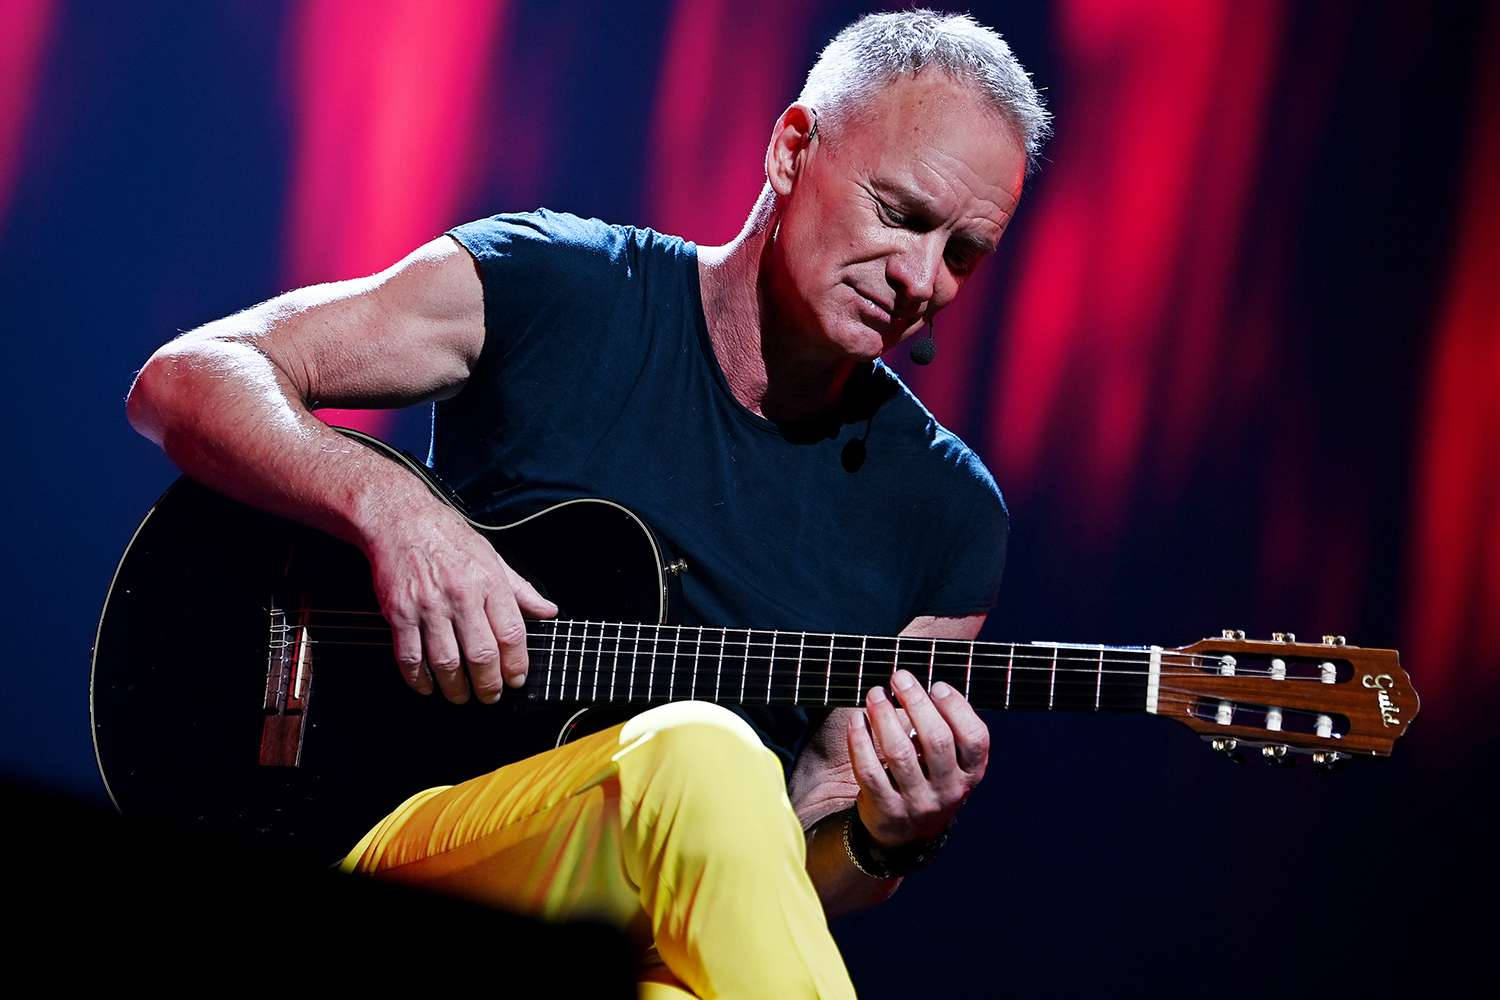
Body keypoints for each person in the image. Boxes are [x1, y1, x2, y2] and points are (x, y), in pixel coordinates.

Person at [125, 10, 1050, 997]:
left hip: (632, 938)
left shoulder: (950, 518)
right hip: (385, 834)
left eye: (963, 253)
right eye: (899, 214)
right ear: (791, 150)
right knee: (706, 752)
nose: (921, 279)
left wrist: (885, 839)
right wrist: (394, 509)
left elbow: (778, 879)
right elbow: (189, 378)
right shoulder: (560, 286)